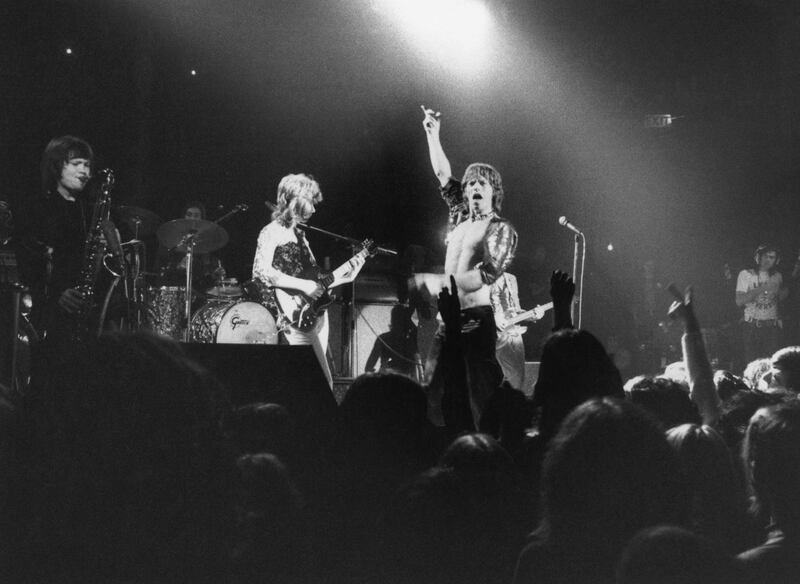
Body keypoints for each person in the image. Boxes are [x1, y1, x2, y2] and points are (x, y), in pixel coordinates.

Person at [413, 106, 518, 427]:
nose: (472, 188)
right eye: (470, 183)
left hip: (476, 321)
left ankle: (490, 453)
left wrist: (443, 284)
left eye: (481, 185)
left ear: (493, 193)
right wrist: (433, 133)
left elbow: (489, 272)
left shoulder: (500, 228)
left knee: (478, 397)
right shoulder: (460, 213)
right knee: (433, 390)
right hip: (448, 320)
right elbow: (444, 175)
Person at [252, 173, 364, 388]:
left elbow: (317, 280)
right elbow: (261, 271)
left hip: (317, 312)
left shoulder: (301, 235)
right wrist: (303, 285)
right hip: (295, 315)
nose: (313, 209)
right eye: (311, 202)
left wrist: (346, 275)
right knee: (322, 383)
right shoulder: (271, 231)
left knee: (310, 381)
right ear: (294, 200)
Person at [16, 136, 97, 347]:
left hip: (86, 311)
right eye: (76, 164)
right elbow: (30, 261)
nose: (84, 172)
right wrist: (57, 294)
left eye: (87, 165)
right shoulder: (39, 208)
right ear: (56, 166)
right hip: (49, 311)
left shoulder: (91, 211)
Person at [736, 244, 788, 363]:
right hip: (751, 327)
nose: (768, 260)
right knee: (751, 365)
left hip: (771, 328)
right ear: (757, 257)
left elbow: (779, 299)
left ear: (776, 260)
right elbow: (739, 301)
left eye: (772, 257)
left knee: (771, 364)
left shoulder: (778, 276)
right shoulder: (745, 274)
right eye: (765, 256)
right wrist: (763, 288)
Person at [491, 272, 527, 390]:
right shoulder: (474, 276)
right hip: (487, 334)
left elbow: (515, 310)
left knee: (516, 379)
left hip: (511, 334)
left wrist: (532, 316)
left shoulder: (511, 278)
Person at [364, 304, 421, 379]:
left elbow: (368, 368)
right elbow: (368, 368)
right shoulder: (384, 339)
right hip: (397, 381)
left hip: (397, 381)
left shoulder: (411, 340)